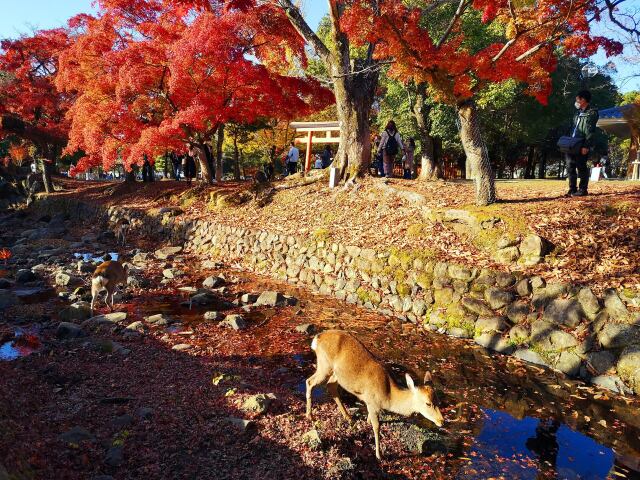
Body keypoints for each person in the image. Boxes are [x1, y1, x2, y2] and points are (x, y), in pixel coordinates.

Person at [566, 90, 598, 197]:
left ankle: (583, 189)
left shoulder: (592, 112)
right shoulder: (577, 112)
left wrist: (586, 146)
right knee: (570, 166)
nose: (576, 101)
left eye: (577, 99)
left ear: (583, 100)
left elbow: (590, 131)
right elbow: (574, 127)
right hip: (572, 142)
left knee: (581, 166)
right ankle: (572, 189)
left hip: (582, 143)